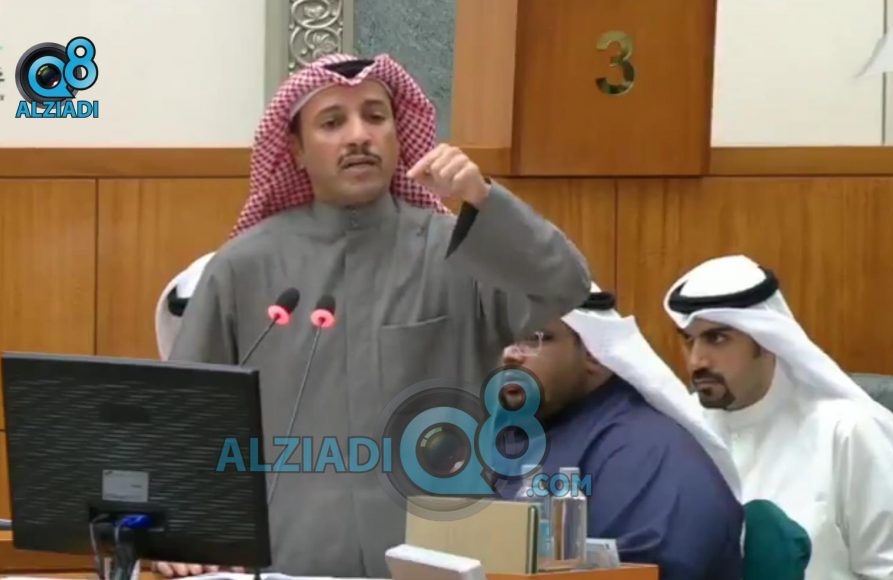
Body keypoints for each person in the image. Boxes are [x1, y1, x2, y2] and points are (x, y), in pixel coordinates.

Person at [156, 53, 590, 578]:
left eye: (375, 116)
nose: (359, 136)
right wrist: (175, 531)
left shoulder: (454, 252)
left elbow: (564, 284)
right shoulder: (243, 268)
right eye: (332, 122)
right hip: (286, 564)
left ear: (399, 135)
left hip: (436, 562)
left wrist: (482, 198)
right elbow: (184, 421)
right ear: (295, 149)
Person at [663, 254, 893, 579]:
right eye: (688, 341)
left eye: (717, 339)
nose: (697, 361)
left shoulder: (845, 431)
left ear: (766, 340)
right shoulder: (680, 429)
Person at [497, 284, 745, 579]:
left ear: (594, 354)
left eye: (536, 337)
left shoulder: (648, 452)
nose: (510, 354)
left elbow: (647, 569)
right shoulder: (520, 434)